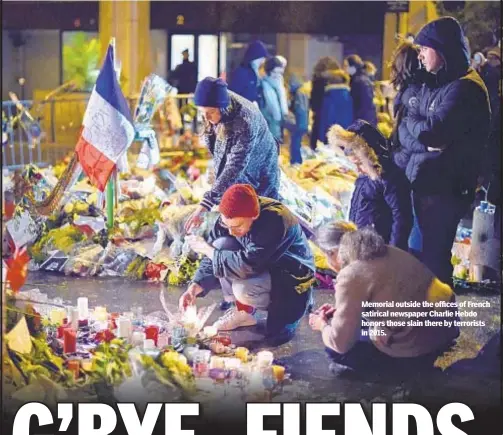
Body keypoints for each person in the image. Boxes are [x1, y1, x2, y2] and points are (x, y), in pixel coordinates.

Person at [402, 17, 491, 286]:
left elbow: (433, 133)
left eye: (424, 50)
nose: (420, 56)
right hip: (428, 182)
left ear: (441, 51)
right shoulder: (441, 81)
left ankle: (439, 322)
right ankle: (429, 323)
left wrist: (412, 122)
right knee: (420, 258)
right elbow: (411, 131)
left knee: (432, 262)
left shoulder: (465, 87)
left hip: (445, 187)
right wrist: (415, 126)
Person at [309, 221, 460, 378]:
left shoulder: (351, 274)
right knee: (357, 327)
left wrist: (322, 326)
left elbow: (340, 343)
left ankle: (394, 373)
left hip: (420, 349)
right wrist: (342, 311)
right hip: (446, 332)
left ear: (333, 252)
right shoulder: (387, 250)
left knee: (333, 349)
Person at [180, 184, 316, 343]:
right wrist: (194, 287)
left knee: (243, 290)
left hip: (290, 274)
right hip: (261, 265)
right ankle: (243, 312)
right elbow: (214, 253)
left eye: (237, 226)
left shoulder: (276, 220)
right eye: (227, 225)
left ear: (255, 215)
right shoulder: (228, 218)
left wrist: (208, 251)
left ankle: (303, 300)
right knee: (221, 244)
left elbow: (247, 265)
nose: (231, 231)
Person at [328, 120, 413, 251]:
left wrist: (394, 252)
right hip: (363, 247)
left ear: (370, 157)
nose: (357, 169)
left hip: (379, 250)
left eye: (359, 163)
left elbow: (402, 218)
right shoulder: (365, 176)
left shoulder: (389, 178)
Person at [388, 40, 431, 256]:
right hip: (412, 163)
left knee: (415, 224)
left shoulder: (411, 93)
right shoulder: (415, 90)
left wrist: (396, 157)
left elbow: (412, 136)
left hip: (412, 166)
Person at [309, 56, 341, 150]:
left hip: (318, 114)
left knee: (318, 137)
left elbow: (313, 100)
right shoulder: (335, 82)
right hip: (331, 114)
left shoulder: (316, 80)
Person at [317, 68, 353, 145]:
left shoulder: (328, 96)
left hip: (331, 133)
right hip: (347, 133)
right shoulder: (349, 95)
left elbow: (324, 118)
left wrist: (321, 138)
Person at [229, 40, 268, 105]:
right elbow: (233, 95)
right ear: (253, 57)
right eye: (260, 58)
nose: (262, 61)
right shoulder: (241, 73)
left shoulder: (254, 73)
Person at [260, 56, 289, 142]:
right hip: (268, 126)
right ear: (268, 71)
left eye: (280, 73)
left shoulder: (280, 86)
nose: (277, 76)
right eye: (274, 72)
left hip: (278, 125)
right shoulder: (263, 85)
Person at [344, 54, 377, 126]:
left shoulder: (359, 81)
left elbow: (362, 105)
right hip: (366, 121)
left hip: (363, 122)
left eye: (347, 66)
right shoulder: (361, 79)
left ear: (353, 66)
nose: (345, 69)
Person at [286, 74, 310, 165]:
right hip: (303, 122)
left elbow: (300, 109)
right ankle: (297, 161)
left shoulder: (298, 94)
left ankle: (296, 162)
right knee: (297, 143)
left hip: (299, 122)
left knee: (295, 143)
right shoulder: (303, 92)